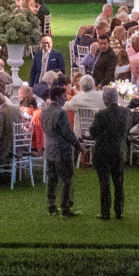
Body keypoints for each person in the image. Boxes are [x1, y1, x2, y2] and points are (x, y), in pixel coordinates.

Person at [91, 89, 135, 220]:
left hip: (103, 152)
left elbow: (93, 132)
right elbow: (128, 128)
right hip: (119, 150)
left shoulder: (100, 115)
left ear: (106, 100)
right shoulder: (126, 113)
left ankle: (105, 212)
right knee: (118, 182)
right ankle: (119, 211)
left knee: (104, 183)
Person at [41, 86, 79, 218]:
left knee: (51, 178)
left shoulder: (44, 111)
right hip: (61, 150)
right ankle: (65, 207)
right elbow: (67, 133)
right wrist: (78, 145)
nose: (65, 99)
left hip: (49, 148)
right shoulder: (61, 112)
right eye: (64, 96)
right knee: (66, 179)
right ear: (57, 97)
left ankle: (51, 205)